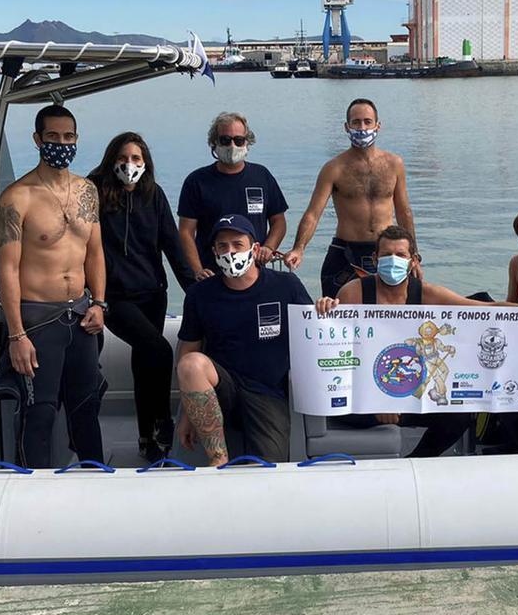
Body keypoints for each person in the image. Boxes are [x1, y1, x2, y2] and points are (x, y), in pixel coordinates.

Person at [315, 226, 518, 457]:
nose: (392, 261)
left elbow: (488, 308)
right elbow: (341, 355)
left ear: (413, 261)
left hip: (411, 393)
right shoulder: (353, 292)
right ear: (374, 258)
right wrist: (325, 308)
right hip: (366, 397)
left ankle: (417, 462)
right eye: (386, 255)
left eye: (400, 255)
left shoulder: (428, 293)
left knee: (461, 413)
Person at [0, 104, 106, 468]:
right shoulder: (16, 198)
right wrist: (16, 335)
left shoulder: (87, 191)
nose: (62, 143)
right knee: (38, 413)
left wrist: (100, 303)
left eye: (68, 137)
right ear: (37, 140)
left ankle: (95, 478)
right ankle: (29, 490)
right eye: (53, 137)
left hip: (82, 315)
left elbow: (95, 252)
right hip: (38, 319)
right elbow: (7, 270)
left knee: (86, 407)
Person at [88, 132, 194, 462]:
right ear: (111, 160)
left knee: (144, 362)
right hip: (115, 298)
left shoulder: (154, 194)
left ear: (145, 162)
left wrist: (197, 290)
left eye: (136, 159)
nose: (129, 165)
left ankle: (147, 439)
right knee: (159, 350)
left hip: (153, 295)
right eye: (123, 158)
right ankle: (162, 421)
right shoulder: (95, 192)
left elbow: (173, 247)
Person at [176, 215, 312, 465]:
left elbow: (313, 331)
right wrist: (187, 411)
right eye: (222, 246)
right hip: (222, 388)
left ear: (255, 248)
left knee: (269, 467)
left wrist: (326, 309)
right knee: (191, 364)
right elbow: (188, 349)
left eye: (237, 245)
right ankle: (218, 462)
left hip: (267, 393)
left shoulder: (285, 286)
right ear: (214, 252)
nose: (230, 252)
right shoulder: (199, 294)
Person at [283, 98, 418, 297]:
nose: (362, 128)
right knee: (336, 313)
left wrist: (414, 255)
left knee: (391, 313)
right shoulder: (334, 168)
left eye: (367, 121)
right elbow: (313, 214)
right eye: (356, 122)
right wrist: (298, 248)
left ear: (378, 125)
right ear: (347, 127)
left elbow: (404, 211)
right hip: (346, 252)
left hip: (387, 252)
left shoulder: (394, 164)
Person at [177, 112, 289, 281]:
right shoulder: (196, 181)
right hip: (211, 274)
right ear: (214, 143)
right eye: (225, 140)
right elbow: (186, 232)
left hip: (255, 272)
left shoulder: (262, 176)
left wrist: (269, 247)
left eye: (238, 140)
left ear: (247, 142)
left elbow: (278, 221)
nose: (232, 145)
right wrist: (197, 269)